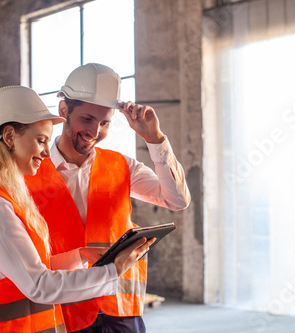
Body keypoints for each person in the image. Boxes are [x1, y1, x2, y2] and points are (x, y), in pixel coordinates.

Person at [0, 86, 156, 332]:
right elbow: (40, 285)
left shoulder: (4, 196)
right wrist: (115, 269)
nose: (47, 152)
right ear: (10, 136)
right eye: (41, 140)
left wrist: (78, 256)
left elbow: (24, 266)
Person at [25, 64, 191, 332]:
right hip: (62, 308)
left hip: (119, 306)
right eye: (87, 119)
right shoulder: (29, 171)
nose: (94, 132)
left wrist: (155, 138)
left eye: (104, 123)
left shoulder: (122, 166)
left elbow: (177, 200)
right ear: (64, 111)